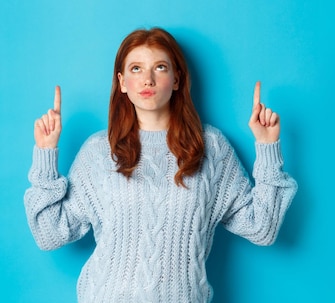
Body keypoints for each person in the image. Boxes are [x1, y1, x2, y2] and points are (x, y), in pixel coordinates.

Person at [24, 27, 298, 303]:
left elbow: (262, 228)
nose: (148, 79)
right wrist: (46, 153)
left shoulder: (210, 147)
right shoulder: (98, 151)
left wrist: (267, 147)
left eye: (160, 67)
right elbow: (49, 234)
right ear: (121, 82)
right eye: (135, 68)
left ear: (176, 78)